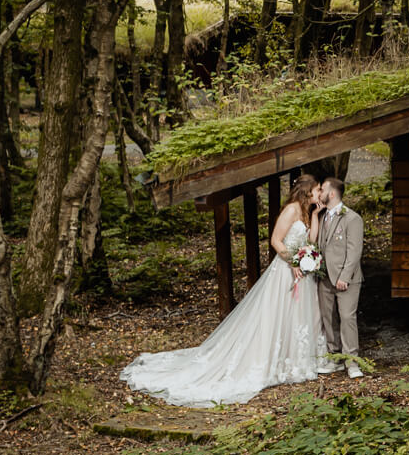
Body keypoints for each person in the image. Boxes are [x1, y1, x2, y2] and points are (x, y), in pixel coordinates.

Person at [120, 174, 330, 406]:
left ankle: (293, 361)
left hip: (301, 272)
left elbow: (311, 241)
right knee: (276, 315)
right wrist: (292, 262)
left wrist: (315, 216)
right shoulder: (291, 210)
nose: (320, 193)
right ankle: (270, 361)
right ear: (307, 191)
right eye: (318, 189)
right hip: (284, 271)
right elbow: (276, 241)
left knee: (297, 317)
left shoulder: (305, 212)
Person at [314, 176, 365, 378]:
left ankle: (352, 363)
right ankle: (334, 358)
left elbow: (354, 251)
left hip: (347, 279)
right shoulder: (322, 216)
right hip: (324, 277)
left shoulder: (352, 218)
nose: (320, 193)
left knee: (347, 318)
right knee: (328, 318)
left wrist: (344, 276)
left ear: (332, 193)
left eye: (323, 189)